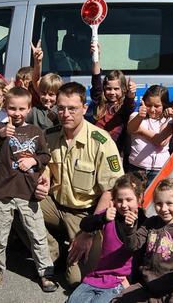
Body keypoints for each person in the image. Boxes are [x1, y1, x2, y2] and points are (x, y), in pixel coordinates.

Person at [37, 81, 124, 288]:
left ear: (85, 108)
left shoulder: (101, 142)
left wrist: (89, 231)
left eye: (72, 108)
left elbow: (111, 191)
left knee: (75, 280)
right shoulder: (49, 136)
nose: (66, 114)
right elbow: (44, 163)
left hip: (85, 215)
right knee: (19, 204)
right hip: (55, 206)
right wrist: (46, 175)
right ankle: (53, 251)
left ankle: (75, 246)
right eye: (61, 108)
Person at [0, 87, 57, 292]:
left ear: (29, 109)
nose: (16, 113)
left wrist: (33, 160)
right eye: (12, 108)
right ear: (6, 107)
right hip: (4, 191)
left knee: (37, 234)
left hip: (28, 192)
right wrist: (2, 132)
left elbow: (45, 156)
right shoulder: (3, 127)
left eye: (21, 109)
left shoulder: (36, 131)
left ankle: (46, 271)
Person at [111, 178, 173, 302]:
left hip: (167, 293)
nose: (164, 209)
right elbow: (132, 245)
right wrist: (130, 228)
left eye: (169, 203)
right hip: (145, 287)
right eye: (159, 203)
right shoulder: (151, 223)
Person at [67, 173, 146, 303]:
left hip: (120, 279)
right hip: (99, 274)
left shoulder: (144, 222)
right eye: (119, 200)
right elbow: (85, 224)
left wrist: (132, 280)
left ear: (139, 198)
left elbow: (143, 256)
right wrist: (102, 218)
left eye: (129, 200)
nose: (124, 205)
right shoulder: (111, 215)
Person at [88, 43, 137, 148]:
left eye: (116, 89)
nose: (112, 92)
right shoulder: (99, 100)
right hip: (96, 147)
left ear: (123, 90)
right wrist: (97, 56)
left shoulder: (123, 105)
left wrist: (131, 93)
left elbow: (130, 104)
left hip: (116, 150)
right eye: (109, 89)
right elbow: (96, 77)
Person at [126, 85, 173, 187]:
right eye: (148, 105)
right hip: (137, 168)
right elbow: (131, 129)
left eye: (157, 106)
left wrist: (141, 131)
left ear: (164, 105)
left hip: (160, 169)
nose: (152, 109)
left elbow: (161, 141)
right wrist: (140, 116)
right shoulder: (135, 116)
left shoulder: (168, 120)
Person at [26, 40, 60, 129]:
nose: (46, 97)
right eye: (43, 93)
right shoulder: (34, 111)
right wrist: (38, 61)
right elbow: (36, 80)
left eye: (51, 94)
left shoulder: (61, 111)